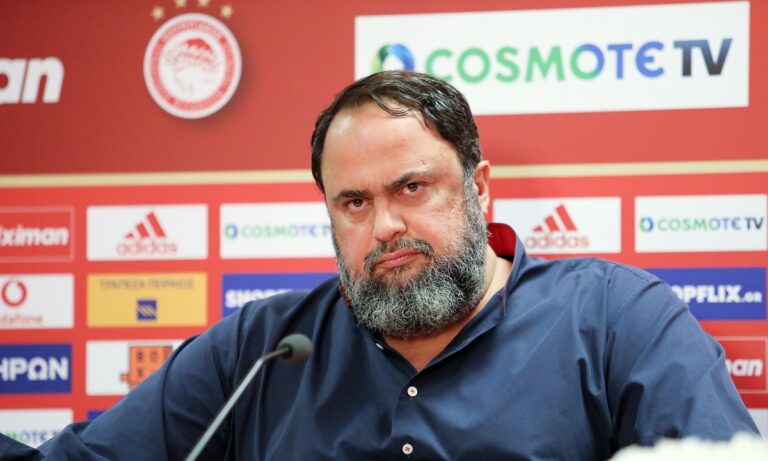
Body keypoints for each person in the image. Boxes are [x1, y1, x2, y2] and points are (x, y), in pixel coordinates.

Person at [2, 71, 759, 460]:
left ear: (478, 187)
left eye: (411, 188)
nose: (386, 226)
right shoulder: (260, 349)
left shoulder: (617, 319)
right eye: (355, 202)